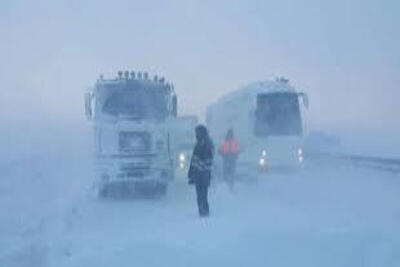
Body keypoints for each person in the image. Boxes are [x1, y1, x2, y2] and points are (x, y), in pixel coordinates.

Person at [188, 125, 214, 217]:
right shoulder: (199, 144)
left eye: (197, 133)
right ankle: (202, 213)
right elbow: (194, 159)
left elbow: (207, 161)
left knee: (202, 195)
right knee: (200, 196)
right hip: (198, 175)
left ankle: (204, 213)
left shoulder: (207, 144)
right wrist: (191, 173)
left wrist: (197, 170)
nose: (196, 135)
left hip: (203, 175)